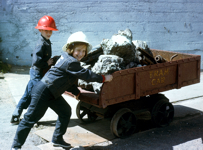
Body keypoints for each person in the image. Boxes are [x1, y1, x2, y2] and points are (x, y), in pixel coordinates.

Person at [11, 31, 113, 150]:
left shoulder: (66, 58)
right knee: (30, 119)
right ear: (70, 48)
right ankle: (15, 147)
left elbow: (66, 80)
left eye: (83, 51)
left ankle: (57, 139)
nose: (81, 53)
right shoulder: (71, 62)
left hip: (51, 91)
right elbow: (86, 75)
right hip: (44, 92)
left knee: (65, 111)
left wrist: (76, 92)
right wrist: (103, 78)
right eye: (78, 50)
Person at [10, 15, 58, 124]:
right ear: (40, 30)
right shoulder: (41, 44)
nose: (49, 33)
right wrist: (47, 63)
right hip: (37, 73)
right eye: (46, 30)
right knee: (37, 95)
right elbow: (36, 61)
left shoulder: (46, 41)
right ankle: (30, 118)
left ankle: (16, 114)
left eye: (51, 30)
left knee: (27, 94)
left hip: (38, 72)